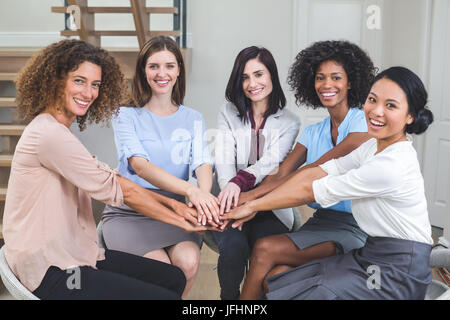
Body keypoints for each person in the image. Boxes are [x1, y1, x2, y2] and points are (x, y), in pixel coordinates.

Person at [3, 39, 209, 300]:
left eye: (95, 84)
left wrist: (180, 208)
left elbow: (116, 179)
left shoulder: (58, 132)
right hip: (56, 273)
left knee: (173, 278)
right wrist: (184, 219)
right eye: (79, 81)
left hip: (77, 255)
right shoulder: (48, 135)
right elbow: (124, 190)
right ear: (56, 80)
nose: (88, 92)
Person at [224, 66, 434, 300]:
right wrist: (253, 199)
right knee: (278, 278)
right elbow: (316, 172)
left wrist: (252, 205)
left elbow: (310, 190)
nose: (376, 111)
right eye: (372, 100)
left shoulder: (391, 164)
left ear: (410, 116)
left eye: (391, 106)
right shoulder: (372, 147)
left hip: (396, 272)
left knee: (307, 292)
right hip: (370, 255)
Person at [230, 40, 377, 299]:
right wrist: (241, 200)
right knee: (276, 276)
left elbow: (315, 169)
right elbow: (281, 174)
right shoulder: (312, 132)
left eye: (336, 77)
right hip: (319, 223)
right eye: (320, 78)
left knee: (265, 249)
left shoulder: (363, 123)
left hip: (357, 227)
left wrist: (250, 201)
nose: (326, 85)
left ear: (351, 82)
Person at [100, 36, 218, 298]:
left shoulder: (193, 118)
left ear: (179, 70)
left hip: (175, 212)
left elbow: (202, 162)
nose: (162, 73)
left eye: (169, 66)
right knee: (161, 272)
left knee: (188, 262)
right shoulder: (124, 115)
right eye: (153, 66)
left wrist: (203, 195)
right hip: (130, 212)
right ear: (143, 70)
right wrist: (192, 189)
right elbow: (140, 166)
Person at [211, 46, 300, 300]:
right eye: (245, 77)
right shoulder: (228, 112)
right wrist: (231, 189)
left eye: (259, 74)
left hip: (268, 204)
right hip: (231, 200)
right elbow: (225, 159)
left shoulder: (290, 121)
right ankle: (228, 298)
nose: (252, 84)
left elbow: (271, 164)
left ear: (271, 75)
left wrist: (241, 184)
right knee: (232, 248)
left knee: (265, 250)